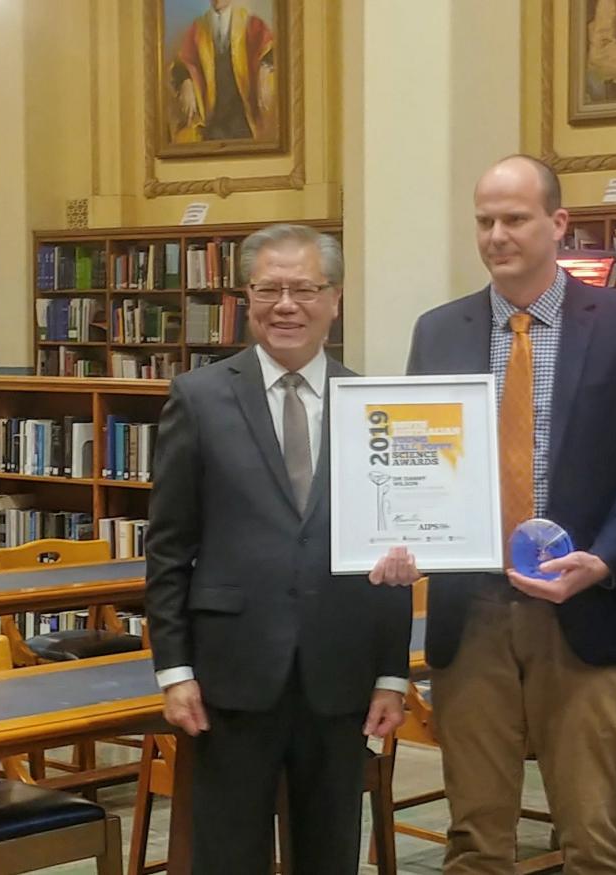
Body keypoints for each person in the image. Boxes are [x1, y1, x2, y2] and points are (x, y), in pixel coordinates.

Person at [399, 155, 616, 874]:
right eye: (485, 221)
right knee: (475, 838)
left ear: (558, 224)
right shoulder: (439, 331)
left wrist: (609, 557)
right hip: (473, 613)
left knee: (593, 836)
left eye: (515, 219)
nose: (498, 235)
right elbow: (414, 465)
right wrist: (400, 529)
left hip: (584, 608)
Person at [145, 223, 415, 875]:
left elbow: (393, 549)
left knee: (330, 851)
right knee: (227, 852)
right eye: (269, 288)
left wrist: (391, 671)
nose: (286, 304)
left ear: (335, 299)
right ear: (247, 296)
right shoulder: (199, 398)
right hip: (229, 675)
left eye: (304, 288)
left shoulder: (371, 404)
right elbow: (168, 545)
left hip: (340, 672)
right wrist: (174, 668)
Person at [170, 0, 276, 144]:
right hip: (212, 118)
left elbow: (271, 51)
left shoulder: (250, 24)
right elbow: (182, 62)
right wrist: (186, 82)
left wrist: (264, 70)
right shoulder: (198, 28)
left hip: (242, 117)